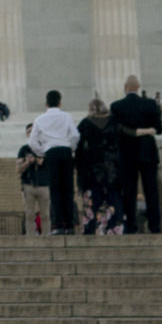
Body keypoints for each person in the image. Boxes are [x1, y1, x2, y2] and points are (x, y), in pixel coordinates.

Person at [108, 75, 162, 234]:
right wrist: (146, 131)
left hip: (127, 154)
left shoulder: (116, 106)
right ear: (138, 87)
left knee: (129, 192)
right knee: (151, 191)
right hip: (148, 152)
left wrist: (134, 132)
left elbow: (115, 130)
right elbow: (159, 129)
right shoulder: (151, 104)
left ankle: (130, 226)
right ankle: (155, 226)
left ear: (125, 88)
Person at [30, 90, 80, 235]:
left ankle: (58, 225)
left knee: (55, 190)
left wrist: (42, 152)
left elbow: (32, 142)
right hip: (65, 152)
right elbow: (75, 135)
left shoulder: (40, 119)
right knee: (68, 190)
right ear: (60, 102)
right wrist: (71, 148)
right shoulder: (66, 116)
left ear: (46, 103)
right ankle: (69, 225)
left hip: (50, 153)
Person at [73, 98, 123, 235]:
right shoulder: (114, 122)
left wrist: (78, 165)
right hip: (112, 167)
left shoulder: (86, 123)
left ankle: (91, 228)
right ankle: (113, 226)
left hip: (92, 168)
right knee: (113, 197)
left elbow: (78, 147)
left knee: (93, 199)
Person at [16, 123, 49, 236]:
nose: (31, 133)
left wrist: (42, 162)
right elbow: (18, 169)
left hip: (44, 184)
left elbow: (51, 166)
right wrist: (27, 162)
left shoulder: (45, 148)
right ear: (26, 134)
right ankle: (31, 237)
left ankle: (47, 235)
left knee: (45, 214)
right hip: (28, 184)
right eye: (29, 131)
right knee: (29, 214)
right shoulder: (24, 149)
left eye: (33, 131)